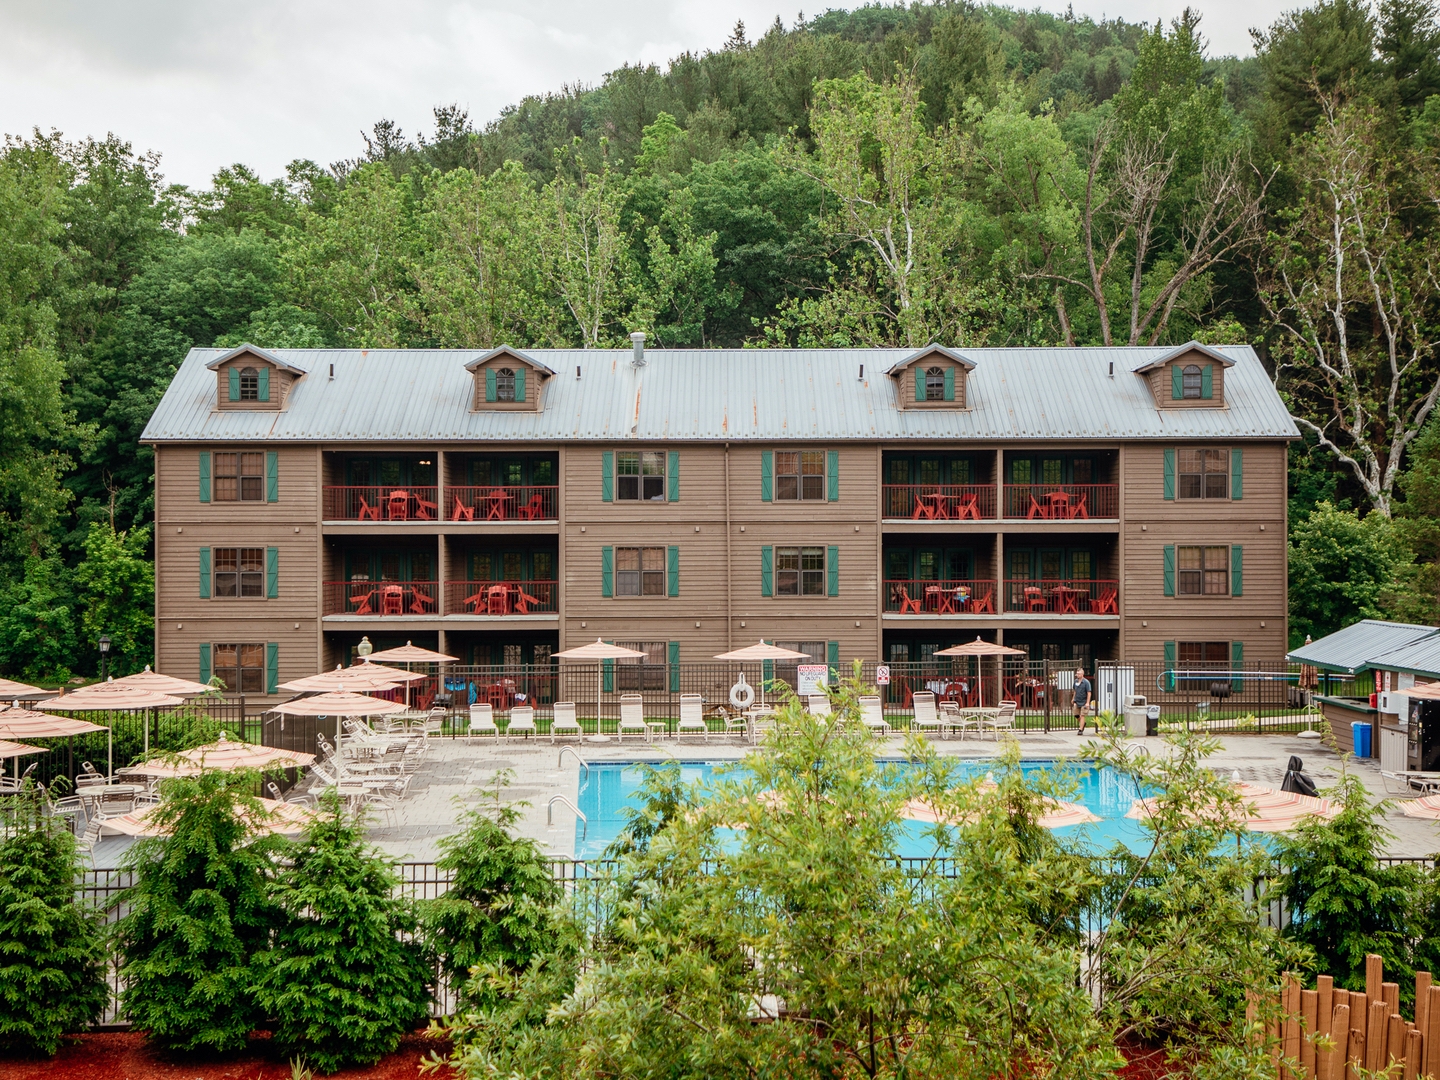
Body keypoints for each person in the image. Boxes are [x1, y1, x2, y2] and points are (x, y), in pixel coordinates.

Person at [1073, 668, 1093, 734]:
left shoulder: (1086, 682)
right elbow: (1075, 691)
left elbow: (1089, 693)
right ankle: (1083, 723)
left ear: (1082, 674)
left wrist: (1087, 702)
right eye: (1077, 673)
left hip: (1084, 701)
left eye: (1079, 674)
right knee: (1076, 714)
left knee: (1082, 715)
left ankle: (1080, 730)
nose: (1077, 675)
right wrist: (1073, 699)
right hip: (1077, 700)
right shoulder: (1075, 681)